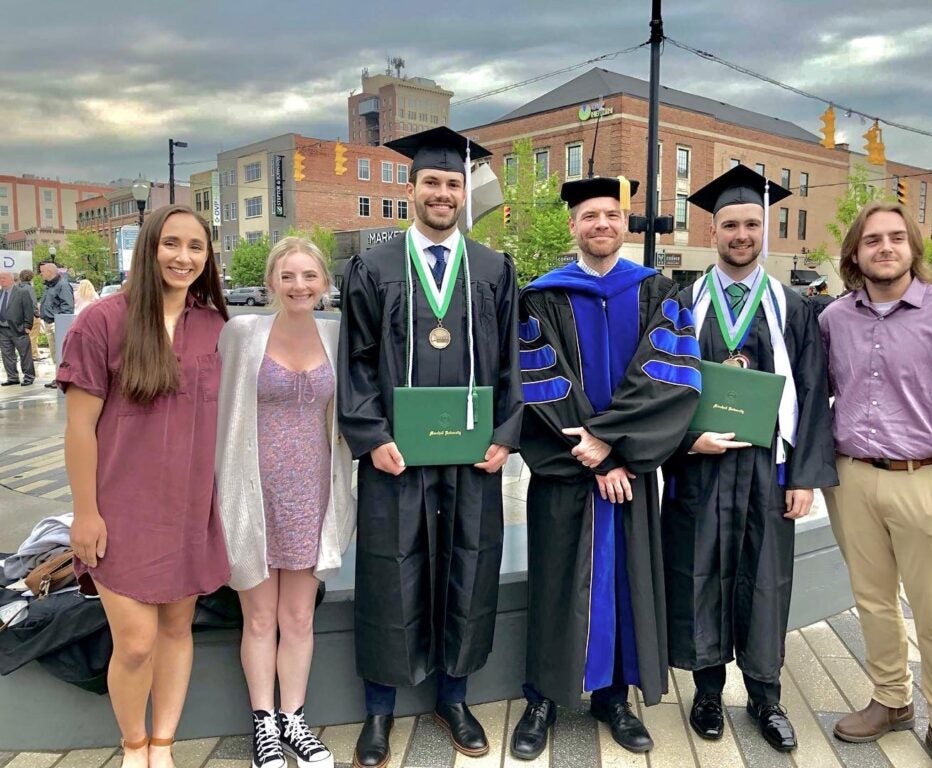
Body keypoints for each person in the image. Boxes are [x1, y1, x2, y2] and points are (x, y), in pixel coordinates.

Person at [338, 126, 522, 768]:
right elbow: (356, 360)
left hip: (473, 457)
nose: (443, 193)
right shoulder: (375, 266)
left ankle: (455, 695)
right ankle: (381, 707)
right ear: (410, 188)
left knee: (467, 567)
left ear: (463, 191)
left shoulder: (495, 269)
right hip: (398, 459)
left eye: (452, 183)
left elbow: (512, 368)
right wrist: (371, 437)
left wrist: (505, 436)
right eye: (432, 182)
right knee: (390, 567)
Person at [509, 176, 701, 760]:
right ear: (573, 226)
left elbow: (667, 378)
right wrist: (591, 456)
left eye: (612, 216)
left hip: (630, 473)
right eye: (590, 216)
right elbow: (538, 384)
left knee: (625, 578)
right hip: (567, 472)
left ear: (626, 224)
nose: (601, 225)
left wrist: (612, 445)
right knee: (555, 579)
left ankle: (614, 696)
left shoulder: (659, 293)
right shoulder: (539, 297)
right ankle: (543, 695)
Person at [820, 202, 932, 768]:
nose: (885, 247)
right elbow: (812, 393)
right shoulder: (834, 319)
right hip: (851, 478)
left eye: (896, 238)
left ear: (913, 247)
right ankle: (891, 700)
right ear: (854, 252)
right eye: (872, 240)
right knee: (872, 603)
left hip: (925, 479)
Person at [660, 164, 837, 754]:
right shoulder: (683, 303)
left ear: (766, 229)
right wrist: (687, 440)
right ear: (713, 231)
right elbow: (659, 390)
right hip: (701, 469)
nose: (741, 234)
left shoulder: (792, 306)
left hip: (768, 470)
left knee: (765, 582)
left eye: (751, 224)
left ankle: (765, 695)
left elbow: (813, 392)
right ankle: (707, 691)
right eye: (730, 224)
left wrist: (803, 476)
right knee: (699, 574)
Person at [59, 204, 231, 768]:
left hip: (189, 507)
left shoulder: (214, 327)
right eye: (171, 244)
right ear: (150, 246)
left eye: (196, 247)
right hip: (122, 509)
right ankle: (134, 744)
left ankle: (165, 744)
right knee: (134, 642)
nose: (183, 257)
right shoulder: (103, 322)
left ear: (208, 258)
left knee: (179, 628)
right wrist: (85, 513)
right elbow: (80, 427)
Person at [216, 236, 355, 768]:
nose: (299, 286)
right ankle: (264, 724)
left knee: (298, 616)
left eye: (309, 276)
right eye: (288, 276)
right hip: (252, 490)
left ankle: (294, 718)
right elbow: (217, 409)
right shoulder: (243, 334)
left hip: (312, 490)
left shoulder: (336, 336)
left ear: (324, 283)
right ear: (271, 282)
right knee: (258, 618)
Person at [39, 260, 74, 388]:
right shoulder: (49, 286)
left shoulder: (62, 285)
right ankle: (57, 377)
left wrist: (57, 317)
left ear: (49, 272)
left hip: (57, 323)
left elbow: (67, 307)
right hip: (49, 322)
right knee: (54, 353)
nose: (40, 274)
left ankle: (62, 378)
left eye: (42, 271)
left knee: (61, 352)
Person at [0, 270, 36, 386]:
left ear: (11, 279)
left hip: (19, 328)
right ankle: (12, 377)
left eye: (3, 278)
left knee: (25, 354)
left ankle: (29, 377)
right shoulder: (0, 293)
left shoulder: (22, 292)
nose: (1, 280)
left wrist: (27, 326)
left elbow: (28, 310)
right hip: (3, 329)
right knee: (7, 354)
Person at [21, 270, 42, 361]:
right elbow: (33, 302)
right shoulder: (29, 288)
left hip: (21, 315)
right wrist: (37, 314)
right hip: (31, 315)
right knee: (33, 335)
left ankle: (33, 353)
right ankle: (33, 354)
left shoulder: (17, 287)